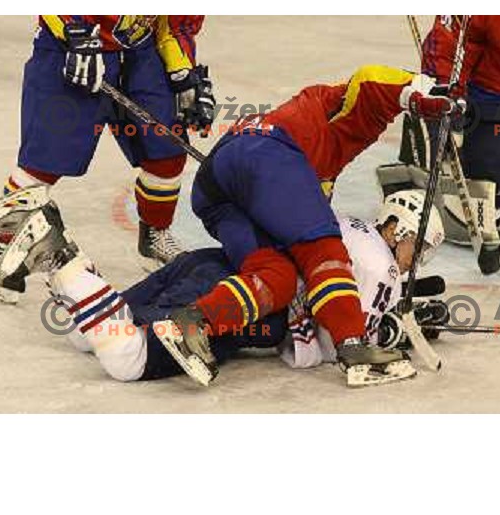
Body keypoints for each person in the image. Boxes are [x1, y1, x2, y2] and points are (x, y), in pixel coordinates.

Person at [162, 65, 460, 387]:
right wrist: (424, 92)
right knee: (323, 249)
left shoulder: (322, 170)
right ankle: (354, 349)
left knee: (277, 277)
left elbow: (301, 215)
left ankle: (191, 323)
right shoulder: (342, 109)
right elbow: (370, 80)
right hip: (268, 149)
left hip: (217, 189)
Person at [0, 186, 445, 387]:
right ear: (402, 230)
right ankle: (60, 257)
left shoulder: (345, 225)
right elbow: (338, 343)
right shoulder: (381, 265)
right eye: (418, 250)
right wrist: (390, 334)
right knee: (127, 360)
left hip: (210, 263)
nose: (415, 263)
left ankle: (59, 251)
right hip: (239, 302)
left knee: (88, 335)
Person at [0, 15, 214, 305]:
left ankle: (155, 235)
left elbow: (177, 20)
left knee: (166, 152)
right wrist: (74, 32)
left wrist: (182, 70)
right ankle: (3, 251)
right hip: (68, 45)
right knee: (43, 163)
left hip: (141, 51)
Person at [402, 16, 500, 243]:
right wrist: (442, 101)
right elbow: (448, 47)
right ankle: (428, 164)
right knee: (497, 193)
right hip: (499, 101)